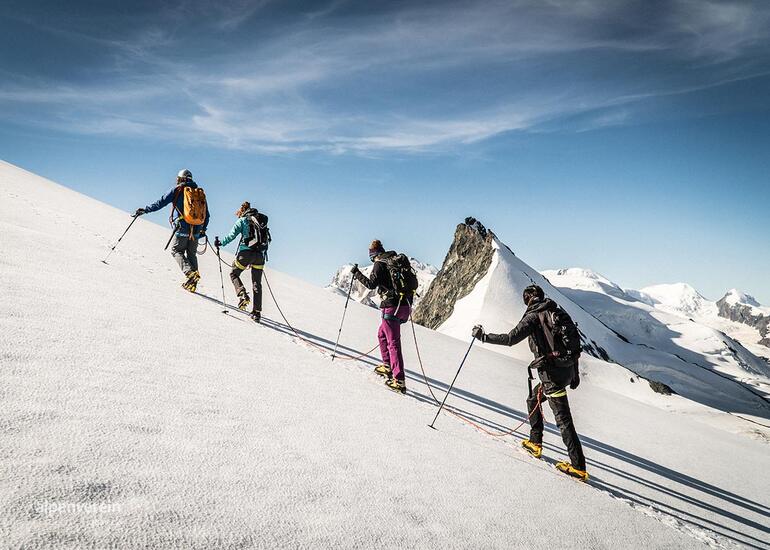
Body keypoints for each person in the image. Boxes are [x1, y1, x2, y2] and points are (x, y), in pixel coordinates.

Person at [471, 284, 588, 481]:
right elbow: (572, 347)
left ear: (527, 300)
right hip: (565, 371)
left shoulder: (533, 316)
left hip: (552, 376)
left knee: (564, 421)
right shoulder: (554, 311)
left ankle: (578, 467)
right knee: (533, 399)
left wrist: (483, 337)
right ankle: (535, 442)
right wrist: (574, 375)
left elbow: (510, 339)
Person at [350, 240, 413, 394]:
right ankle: (387, 365)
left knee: (393, 343)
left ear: (373, 254)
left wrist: (356, 273)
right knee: (382, 334)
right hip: (405, 306)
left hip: (391, 307)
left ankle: (399, 380)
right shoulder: (394, 260)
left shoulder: (379, 263)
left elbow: (371, 284)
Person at [135, 169, 210, 292]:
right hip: (196, 230)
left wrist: (146, 210)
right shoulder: (199, 193)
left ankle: (190, 273)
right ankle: (193, 283)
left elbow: (161, 202)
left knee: (176, 251)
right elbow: (207, 214)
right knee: (191, 254)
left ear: (180, 178)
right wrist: (202, 230)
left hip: (182, 227)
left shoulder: (177, 190)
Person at [214, 202, 269, 323]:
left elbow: (231, 235)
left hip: (245, 254)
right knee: (257, 283)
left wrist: (221, 243)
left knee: (234, 274)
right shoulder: (261, 221)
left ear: (242, 211)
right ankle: (257, 313)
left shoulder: (242, 220)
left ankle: (242, 294)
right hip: (260, 256)